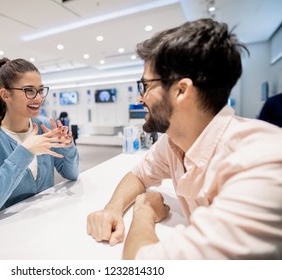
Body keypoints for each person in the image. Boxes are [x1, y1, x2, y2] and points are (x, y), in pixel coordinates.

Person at [87, 18, 282, 259]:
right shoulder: (174, 143)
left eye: (145, 86)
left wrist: (145, 211)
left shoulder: (262, 166)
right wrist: (112, 209)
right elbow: (138, 174)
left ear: (181, 91)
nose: (140, 98)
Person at [0, 58, 80, 225]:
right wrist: (25, 152)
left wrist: (68, 147)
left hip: (46, 224)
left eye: (40, 90)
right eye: (29, 90)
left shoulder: (45, 126)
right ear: (5, 95)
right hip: (7, 232)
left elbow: (72, 174)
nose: (39, 98)